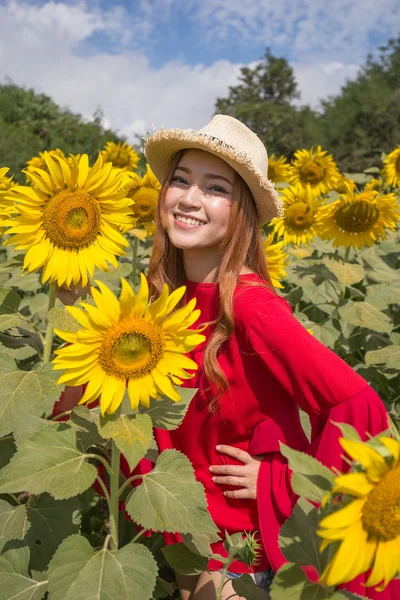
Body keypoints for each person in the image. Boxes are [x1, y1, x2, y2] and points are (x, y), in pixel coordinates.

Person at [139, 114, 398, 600]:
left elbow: (357, 407)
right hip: (189, 540)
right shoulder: (164, 300)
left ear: (243, 213)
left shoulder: (251, 307)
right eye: (180, 179)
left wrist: (281, 481)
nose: (190, 199)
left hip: (242, 556)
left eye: (215, 188)